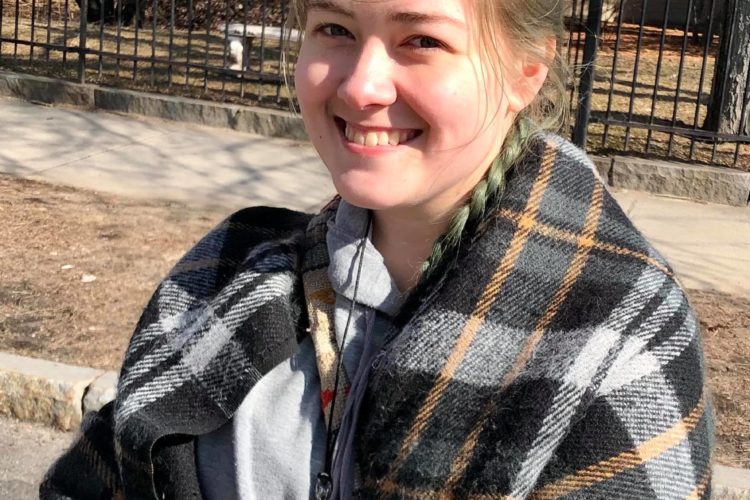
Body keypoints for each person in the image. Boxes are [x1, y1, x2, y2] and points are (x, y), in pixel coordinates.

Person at [41, 0, 714, 498]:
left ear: (524, 76)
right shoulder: (225, 272)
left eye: (420, 39)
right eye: (335, 30)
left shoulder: (616, 337)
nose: (362, 86)